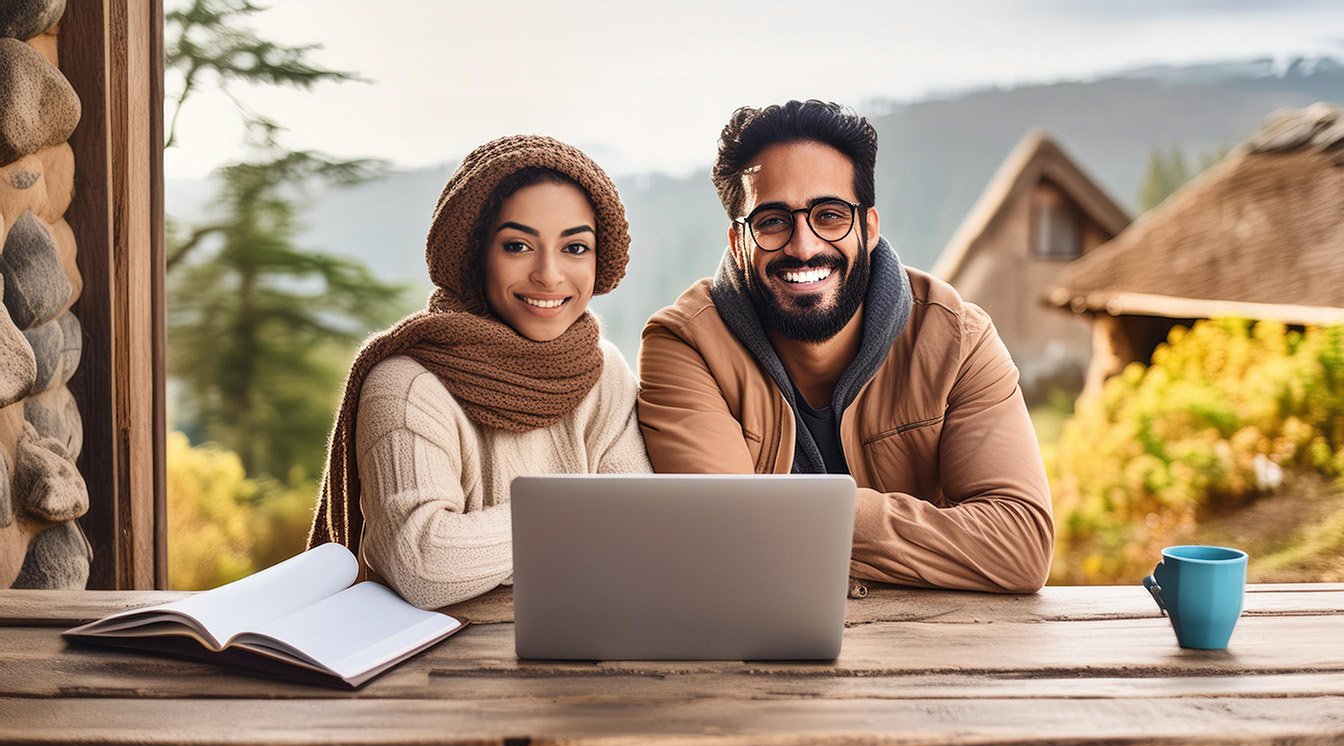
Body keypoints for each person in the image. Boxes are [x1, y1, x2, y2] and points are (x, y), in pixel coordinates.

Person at [637, 100, 1054, 593]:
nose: (804, 246)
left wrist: (792, 516)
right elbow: (726, 538)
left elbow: (1020, 545)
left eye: (829, 215)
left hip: (930, 648)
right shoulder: (686, 344)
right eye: (772, 221)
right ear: (737, 240)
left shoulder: (957, 339)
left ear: (869, 227)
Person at [307, 135, 651, 610]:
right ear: (475, 254)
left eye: (575, 247)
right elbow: (422, 564)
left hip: (580, 645)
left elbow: (645, 527)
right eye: (517, 245)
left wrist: (538, 529)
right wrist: (588, 514)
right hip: (433, 667)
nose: (549, 275)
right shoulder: (405, 385)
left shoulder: (603, 371)